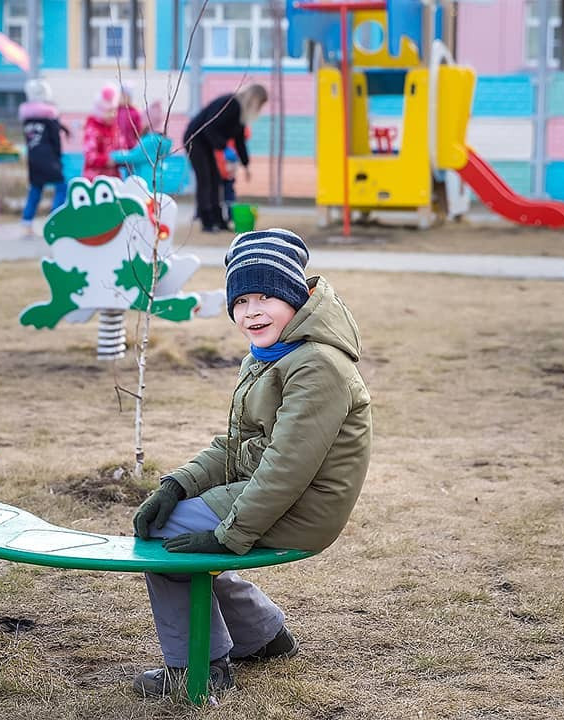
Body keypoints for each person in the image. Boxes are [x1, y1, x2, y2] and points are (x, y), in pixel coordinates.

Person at [131, 228, 372, 698]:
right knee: (172, 520)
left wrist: (227, 536)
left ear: (297, 297)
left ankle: (199, 666)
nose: (252, 311)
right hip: (278, 492)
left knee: (167, 537)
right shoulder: (270, 355)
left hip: (304, 504)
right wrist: (177, 485)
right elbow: (237, 445)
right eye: (241, 300)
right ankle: (263, 637)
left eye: (266, 296)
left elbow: (287, 467)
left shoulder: (316, 364)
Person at [183, 84, 268, 233]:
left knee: (215, 180)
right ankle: (207, 221)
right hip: (195, 139)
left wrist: (246, 165)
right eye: (260, 104)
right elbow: (209, 127)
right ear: (254, 99)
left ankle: (219, 220)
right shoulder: (231, 105)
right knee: (205, 179)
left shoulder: (240, 114)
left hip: (207, 142)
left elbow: (239, 140)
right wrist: (224, 147)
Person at [19, 78, 70, 237]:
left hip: (33, 160)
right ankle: (55, 220)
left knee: (35, 189)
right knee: (62, 186)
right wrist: (58, 157)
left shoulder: (27, 120)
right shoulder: (50, 117)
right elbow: (55, 140)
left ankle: (26, 223)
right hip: (49, 159)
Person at [110, 99, 172, 192]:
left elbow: (134, 156)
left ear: (148, 121)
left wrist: (113, 156)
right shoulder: (159, 140)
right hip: (153, 182)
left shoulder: (151, 141)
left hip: (143, 183)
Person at [82, 84, 121, 180]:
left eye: (114, 111)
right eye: (109, 111)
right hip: (95, 177)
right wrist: (106, 160)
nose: (113, 115)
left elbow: (120, 145)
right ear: (100, 112)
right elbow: (89, 154)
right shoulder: (92, 129)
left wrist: (122, 156)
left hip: (113, 177)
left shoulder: (115, 128)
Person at [116, 82, 144, 151]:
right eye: (121, 95)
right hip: (116, 146)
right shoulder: (115, 111)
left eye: (125, 96)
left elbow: (138, 130)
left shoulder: (134, 112)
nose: (122, 98)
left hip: (130, 146)